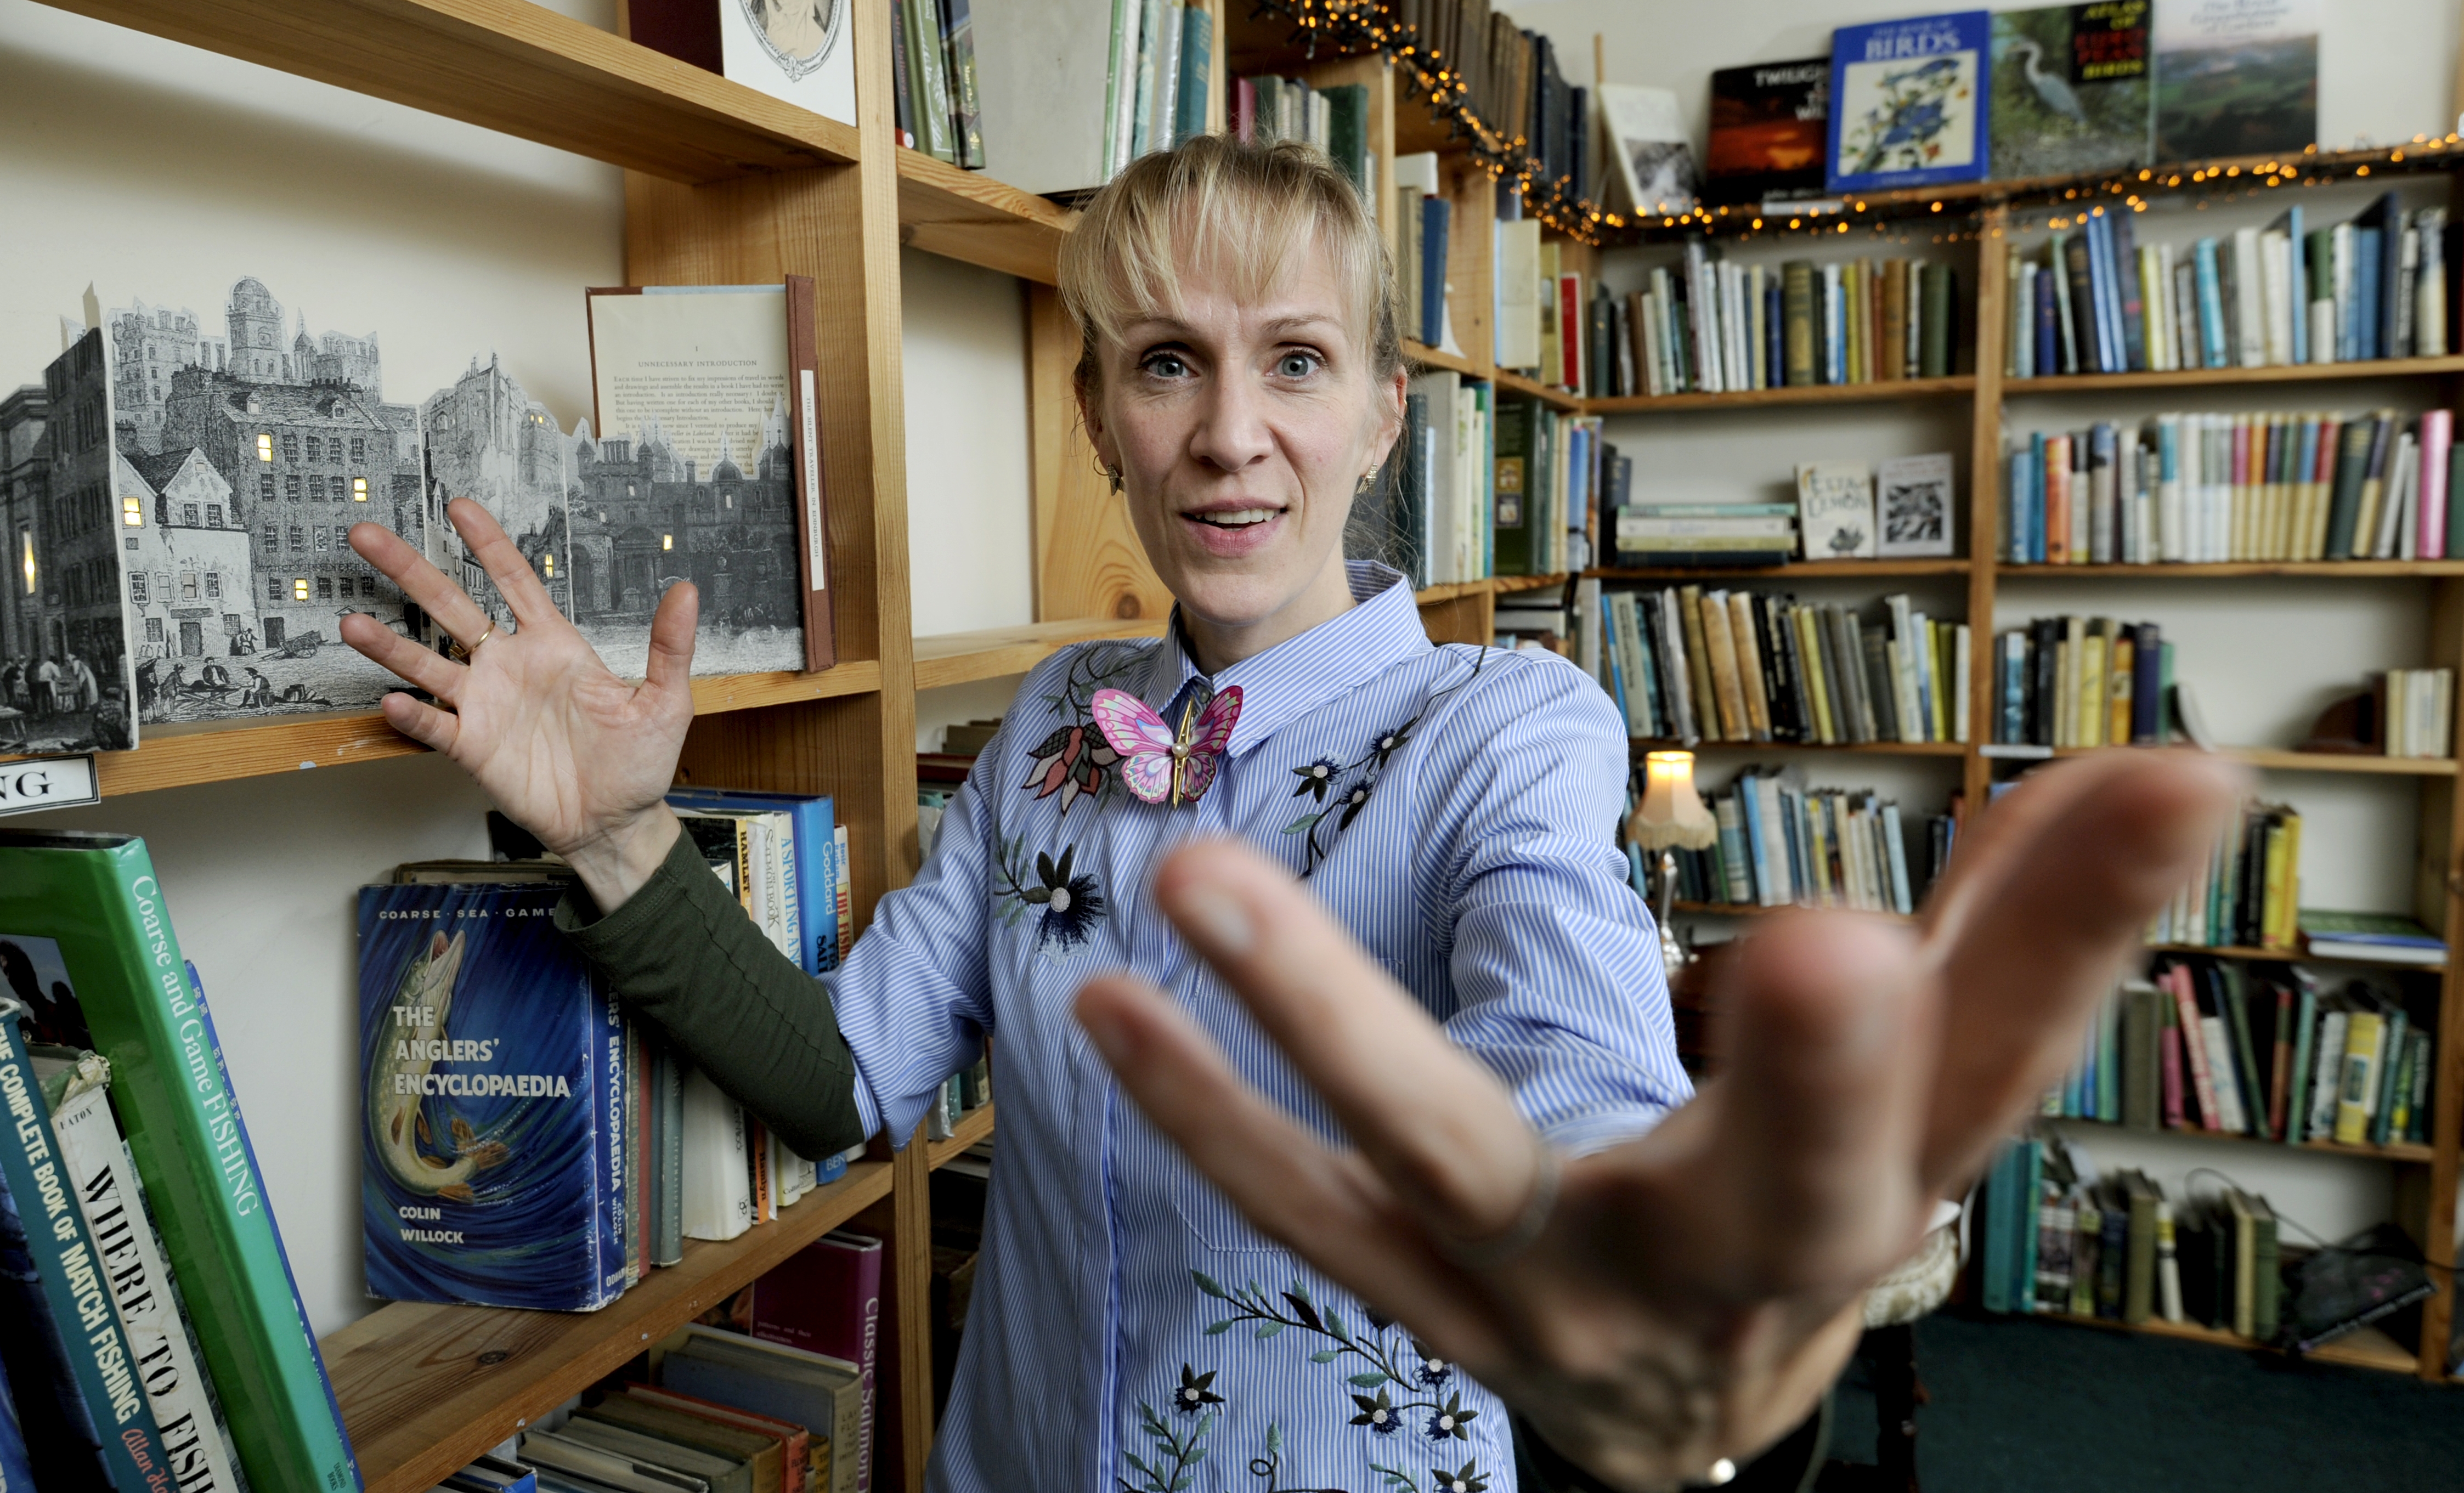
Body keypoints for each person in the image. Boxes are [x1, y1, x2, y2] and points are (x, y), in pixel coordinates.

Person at [342, 136, 2240, 1491]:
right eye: (1168, 362)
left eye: (1296, 362)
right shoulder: (1056, 732)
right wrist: (613, 841)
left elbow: (1571, 1065)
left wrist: (1633, 1261)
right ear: (1101, 414)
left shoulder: (1505, 726)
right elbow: (850, 1078)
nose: (1229, 432)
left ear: (1384, 416)